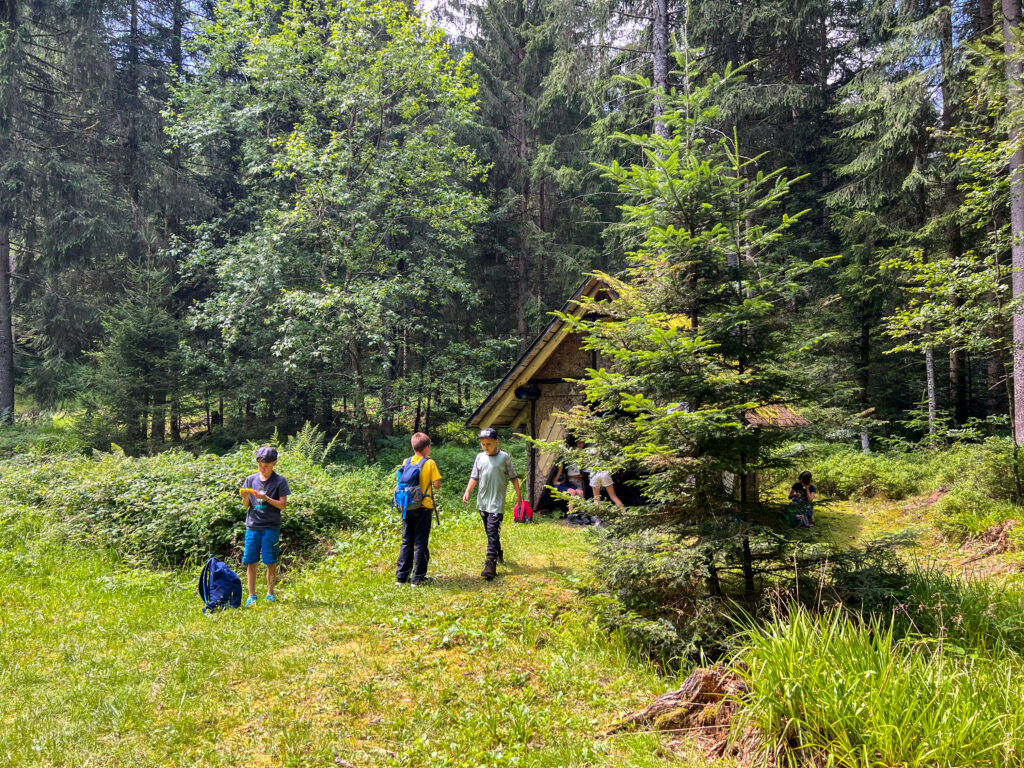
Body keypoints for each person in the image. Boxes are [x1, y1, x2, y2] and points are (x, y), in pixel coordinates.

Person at [462, 427, 522, 581]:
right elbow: (474, 476)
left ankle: (490, 565)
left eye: (488, 444)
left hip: (497, 502)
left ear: (496, 442)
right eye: (483, 444)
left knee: (492, 529)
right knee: (490, 532)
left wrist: (518, 495)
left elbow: (513, 477)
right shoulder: (479, 457)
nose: (485, 447)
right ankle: (498, 551)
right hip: (482, 501)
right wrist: (468, 491)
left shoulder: (504, 457)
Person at [240, 445, 290, 606]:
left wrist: (267, 498)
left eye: (266, 466)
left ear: (274, 463)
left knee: (270, 561)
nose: (263, 469)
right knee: (251, 560)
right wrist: (244, 497)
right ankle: (251, 595)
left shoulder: (280, 481)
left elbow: (282, 505)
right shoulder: (251, 479)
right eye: (260, 466)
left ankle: (270, 594)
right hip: (252, 527)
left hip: (271, 527)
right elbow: (247, 505)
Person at [395, 432, 442, 586]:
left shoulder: (406, 461)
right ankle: (417, 578)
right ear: (427, 447)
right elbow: (437, 485)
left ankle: (401, 577)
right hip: (424, 507)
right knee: (420, 542)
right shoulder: (430, 463)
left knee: (406, 540)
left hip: (407, 506)